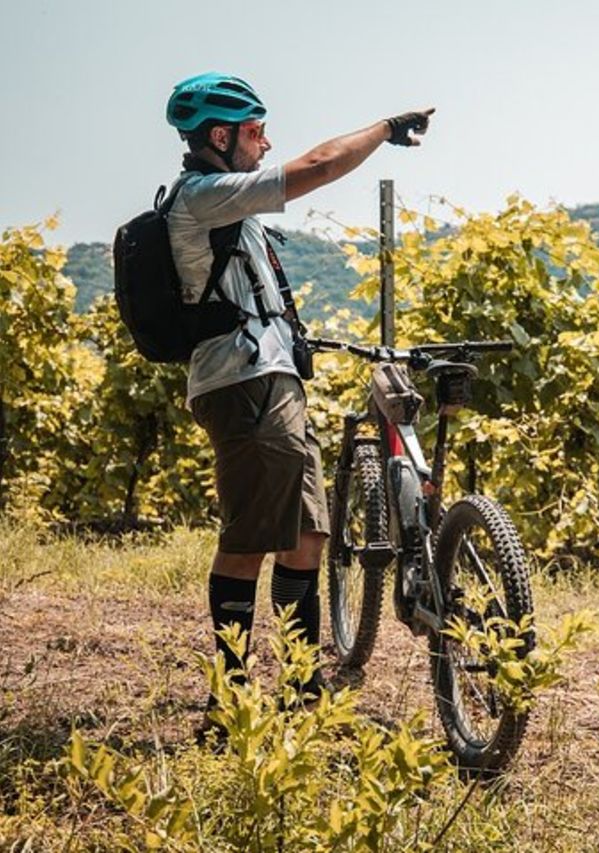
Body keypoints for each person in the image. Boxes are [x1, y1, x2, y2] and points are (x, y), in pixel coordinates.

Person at [163, 72, 433, 725]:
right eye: (255, 132)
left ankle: (300, 686)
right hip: (243, 385)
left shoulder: (233, 209)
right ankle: (229, 702)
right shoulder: (202, 198)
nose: (266, 143)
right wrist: (385, 130)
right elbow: (314, 167)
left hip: (273, 382)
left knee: (308, 534)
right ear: (219, 137)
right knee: (250, 538)